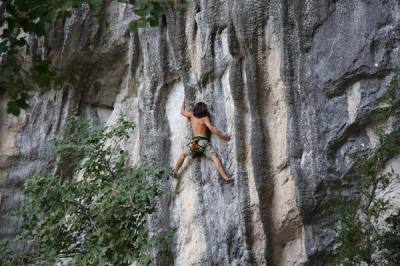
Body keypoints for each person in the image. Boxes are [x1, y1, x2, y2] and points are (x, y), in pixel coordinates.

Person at [172, 101, 232, 182]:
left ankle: (175, 171)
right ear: (205, 110)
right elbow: (212, 128)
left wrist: (184, 101)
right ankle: (225, 177)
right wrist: (223, 135)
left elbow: (182, 112)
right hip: (204, 142)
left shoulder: (192, 116)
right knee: (215, 157)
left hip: (196, 142)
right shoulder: (205, 118)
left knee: (183, 155)